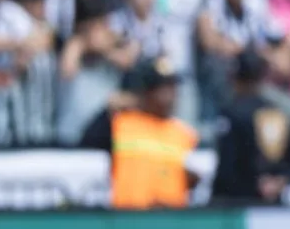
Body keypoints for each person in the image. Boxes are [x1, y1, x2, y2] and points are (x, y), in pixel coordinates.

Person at [80, 57, 200, 210]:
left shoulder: (184, 133)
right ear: (146, 92)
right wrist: (108, 111)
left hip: (170, 223)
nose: (171, 97)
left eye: (173, 89)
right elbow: (86, 146)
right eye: (163, 90)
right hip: (129, 220)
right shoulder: (122, 124)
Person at [210, 49, 290, 206]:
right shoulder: (278, 114)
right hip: (273, 208)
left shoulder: (231, 115)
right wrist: (279, 182)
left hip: (238, 208)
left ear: (233, 77)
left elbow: (226, 171)